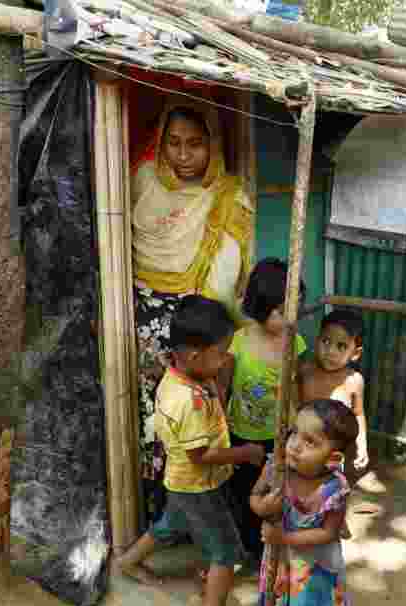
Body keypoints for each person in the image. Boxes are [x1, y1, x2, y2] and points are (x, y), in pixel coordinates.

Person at [113, 295, 265, 606]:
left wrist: (215, 384)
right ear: (195, 355)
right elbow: (201, 456)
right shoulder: (188, 401)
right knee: (226, 551)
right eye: (221, 352)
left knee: (171, 524)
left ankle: (129, 562)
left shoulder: (181, 375)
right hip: (197, 483)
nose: (226, 358)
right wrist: (245, 453)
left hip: (181, 480)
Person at [131, 99, 254, 524]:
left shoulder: (227, 196)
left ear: (213, 144)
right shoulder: (142, 182)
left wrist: (202, 340)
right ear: (160, 143)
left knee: (195, 430)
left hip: (198, 334)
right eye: (174, 144)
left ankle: (188, 524)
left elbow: (225, 278)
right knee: (151, 425)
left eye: (196, 145)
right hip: (140, 330)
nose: (183, 157)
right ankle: (157, 519)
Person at [250, 399, 356, 606]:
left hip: (316, 566)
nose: (295, 445)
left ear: (333, 458)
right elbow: (254, 497)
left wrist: (282, 536)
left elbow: (328, 533)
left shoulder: (336, 488)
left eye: (310, 442)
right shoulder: (276, 468)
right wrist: (263, 508)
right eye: (294, 433)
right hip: (281, 563)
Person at [224, 257, 306, 573]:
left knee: (274, 496)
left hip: (279, 436)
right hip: (242, 434)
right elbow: (225, 387)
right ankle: (244, 548)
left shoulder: (294, 343)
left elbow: (296, 386)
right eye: (281, 311)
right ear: (260, 306)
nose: (290, 318)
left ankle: (266, 551)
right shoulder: (239, 341)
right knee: (244, 495)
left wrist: (297, 424)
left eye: (294, 308)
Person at [298, 309, 368, 473]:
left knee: (329, 488)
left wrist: (362, 444)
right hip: (303, 448)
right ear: (317, 341)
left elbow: (358, 414)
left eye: (341, 346)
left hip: (334, 453)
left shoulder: (354, 381)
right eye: (326, 341)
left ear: (355, 353)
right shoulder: (305, 371)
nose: (330, 351)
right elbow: (293, 404)